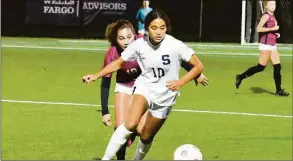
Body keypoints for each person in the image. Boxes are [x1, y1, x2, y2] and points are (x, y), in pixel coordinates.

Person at [82, 9, 206, 160]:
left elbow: (198, 66)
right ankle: (105, 159)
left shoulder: (175, 45)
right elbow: (118, 64)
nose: (159, 32)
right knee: (129, 123)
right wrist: (96, 75)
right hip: (145, 87)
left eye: (162, 28)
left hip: (165, 95)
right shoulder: (139, 44)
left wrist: (181, 82)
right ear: (146, 28)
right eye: (154, 28)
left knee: (146, 135)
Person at [99, 19, 145, 160]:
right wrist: (105, 111)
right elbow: (105, 83)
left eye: (129, 37)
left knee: (141, 130)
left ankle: (131, 134)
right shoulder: (112, 53)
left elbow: (170, 51)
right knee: (120, 128)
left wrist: (195, 72)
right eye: (121, 38)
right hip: (124, 86)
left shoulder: (144, 43)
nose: (126, 42)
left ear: (135, 34)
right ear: (115, 39)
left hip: (144, 87)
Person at [235, 0, 289, 96]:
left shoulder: (272, 15)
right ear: (266, 6)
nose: (273, 6)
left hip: (273, 45)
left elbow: (268, 30)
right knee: (260, 68)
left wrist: (275, 34)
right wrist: (272, 29)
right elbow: (259, 29)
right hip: (266, 45)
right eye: (271, 4)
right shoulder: (266, 16)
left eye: (274, 4)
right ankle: (240, 77)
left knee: (277, 67)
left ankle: (279, 90)